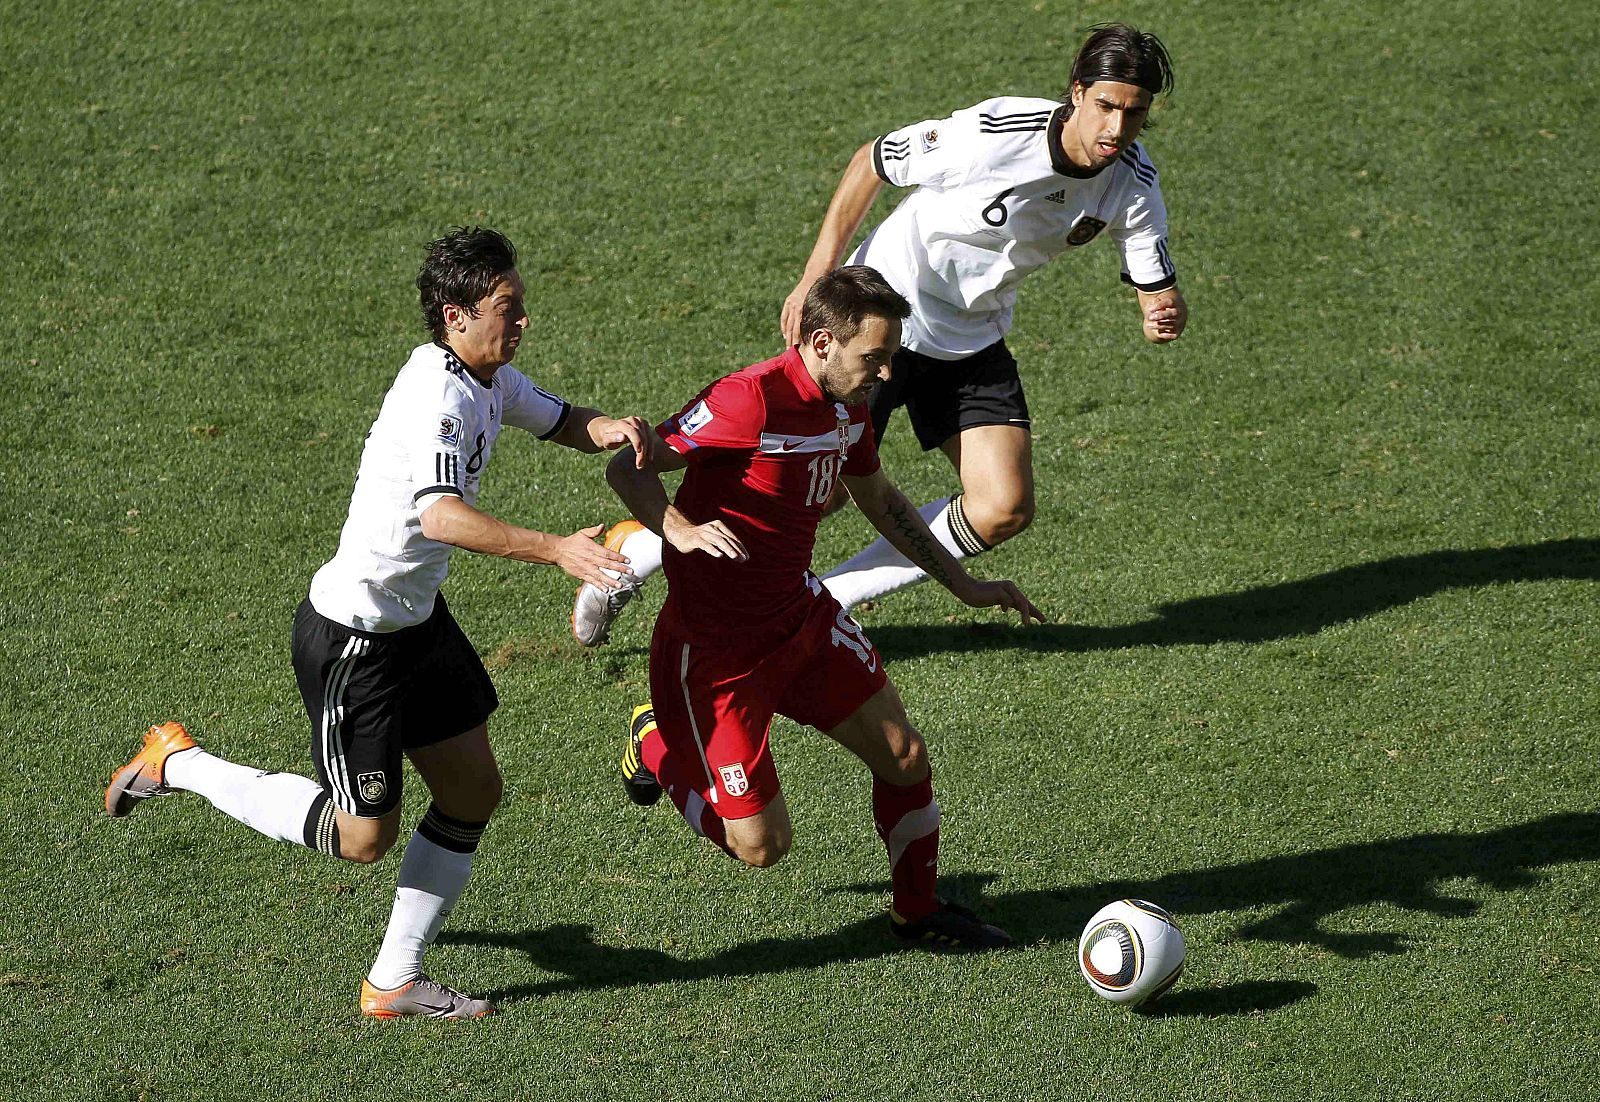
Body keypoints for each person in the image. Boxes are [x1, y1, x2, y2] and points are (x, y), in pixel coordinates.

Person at [104, 227, 654, 1018]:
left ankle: (393, 981)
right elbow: (442, 519)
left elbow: (558, 417)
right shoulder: (438, 396)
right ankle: (178, 762)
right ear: (458, 314)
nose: (524, 319)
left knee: (472, 790)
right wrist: (556, 551)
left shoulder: (485, 373)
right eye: (510, 307)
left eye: (522, 304)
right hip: (354, 642)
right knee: (362, 838)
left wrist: (603, 427)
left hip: (417, 625)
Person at [570, 22, 1182, 646]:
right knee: (819, 492)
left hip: (972, 337)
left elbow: (1154, 279)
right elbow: (872, 161)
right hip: (883, 319)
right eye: (1105, 106)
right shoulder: (990, 135)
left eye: (1133, 115)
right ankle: (633, 552)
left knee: (1004, 506)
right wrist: (818, 273)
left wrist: (1161, 309)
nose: (1116, 128)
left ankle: (825, 603)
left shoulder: (1132, 179)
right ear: (1076, 92)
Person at [606, 266, 1043, 949]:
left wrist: (965, 585)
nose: (888, 372)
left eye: (891, 356)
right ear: (820, 343)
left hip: (800, 619)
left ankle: (917, 913)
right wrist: (679, 530)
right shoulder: (747, 400)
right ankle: (654, 744)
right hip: (716, 656)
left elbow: (881, 499)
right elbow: (628, 466)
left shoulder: (850, 406)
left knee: (904, 754)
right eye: (875, 356)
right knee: (761, 846)